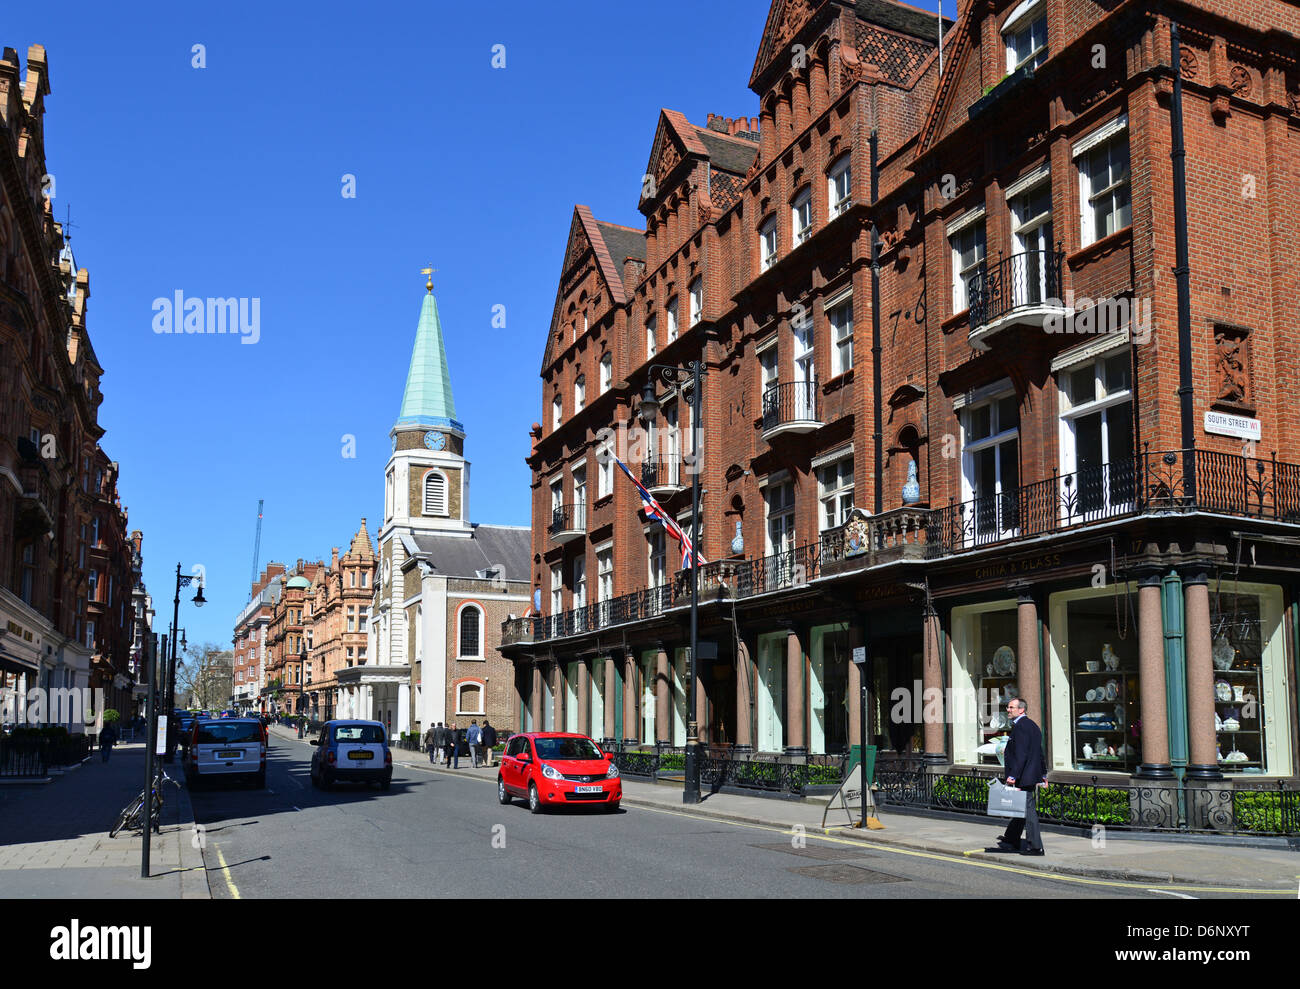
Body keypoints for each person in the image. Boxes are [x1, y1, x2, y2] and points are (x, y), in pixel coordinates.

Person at [995, 696, 1048, 855]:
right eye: (1008, 707)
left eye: (1011, 707)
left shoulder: (1021, 727)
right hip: (1030, 774)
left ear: (1021, 709)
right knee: (1021, 808)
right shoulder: (1032, 725)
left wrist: (1013, 775)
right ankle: (1011, 838)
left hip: (1023, 775)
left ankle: (1036, 847)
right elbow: (1038, 752)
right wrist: (1043, 773)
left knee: (1028, 810)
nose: (1008, 710)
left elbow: (1021, 754)